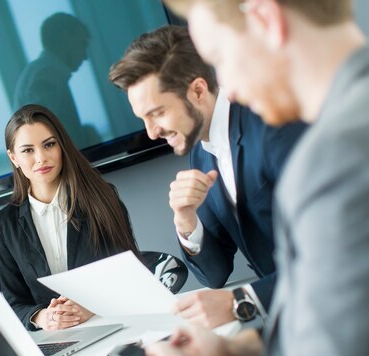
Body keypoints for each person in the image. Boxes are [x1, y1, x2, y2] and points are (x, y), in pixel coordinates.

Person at [121, 0, 369, 356]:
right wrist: (240, 353)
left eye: (220, 59)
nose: (227, 86)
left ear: (267, 21)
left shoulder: (334, 160)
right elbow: (365, 310)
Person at [109, 25, 306, 329]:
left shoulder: (272, 123)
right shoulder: (200, 154)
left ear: (198, 90)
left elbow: (332, 252)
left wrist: (241, 300)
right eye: (143, 119)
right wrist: (186, 220)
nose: (151, 132)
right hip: (291, 320)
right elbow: (215, 275)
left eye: (157, 113)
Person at [0, 104, 138, 331]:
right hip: (56, 339)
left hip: (113, 322)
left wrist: (89, 308)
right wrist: (42, 317)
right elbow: (15, 301)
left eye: (49, 145)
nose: (41, 158)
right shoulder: (4, 224)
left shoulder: (101, 198)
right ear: (13, 157)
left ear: (62, 146)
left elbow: (130, 273)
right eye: (28, 150)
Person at [12, 13, 101, 150]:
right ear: (66, 37)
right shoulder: (47, 74)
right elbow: (44, 135)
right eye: (82, 44)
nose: (85, 56)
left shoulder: (40, 71)